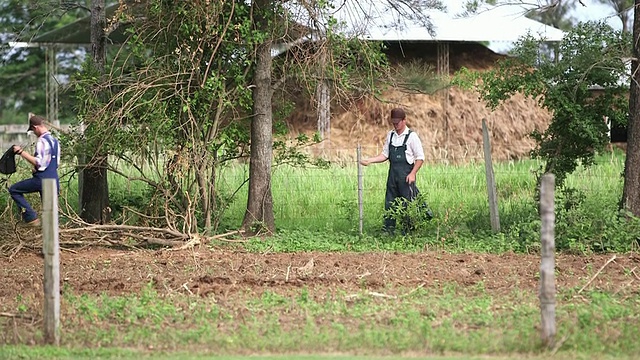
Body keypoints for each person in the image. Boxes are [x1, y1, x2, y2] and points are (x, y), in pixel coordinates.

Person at [360, 107, 426, 234]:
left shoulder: (412, 137)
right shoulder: (391, 135)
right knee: (390, 203)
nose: (395, 125)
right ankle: (388, 231)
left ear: (404, 121)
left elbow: (420, 158)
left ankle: (408, 232)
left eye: (398, 122)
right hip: (392, 177)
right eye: (393, 123)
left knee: (407, 205)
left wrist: (413, 174)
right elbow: (385, 155)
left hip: (406, 177)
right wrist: (370, 160)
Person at [9, 114, 60, 226]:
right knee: (51, 214)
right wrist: (37, 169)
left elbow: (39, 162)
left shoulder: (42, 141)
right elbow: (54, 164)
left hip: (42, 180)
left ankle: (31, 216)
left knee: (14, 190)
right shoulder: (55, 141)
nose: (34, 133)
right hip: (54, 179)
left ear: (35, 127)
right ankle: (54, 238)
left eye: (33, 130)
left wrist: (20, 152)